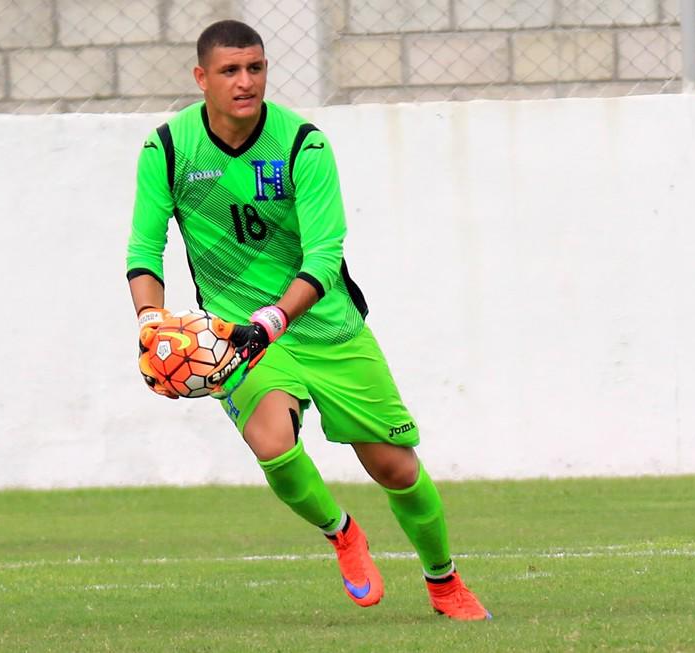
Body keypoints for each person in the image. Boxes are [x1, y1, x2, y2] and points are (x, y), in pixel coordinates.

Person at [125, 19, 490, 621]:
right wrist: (149, 319)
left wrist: (276, 316)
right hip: (238, 334)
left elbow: (325, 254)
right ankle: (342, 533)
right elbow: (144, 249)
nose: (246, 82)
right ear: (201, 78)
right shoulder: (167, 149)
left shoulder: (303, 144)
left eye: (256, 68)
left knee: (396, 468)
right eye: (230, 71)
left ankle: (443, 581)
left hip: (326, 325)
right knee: (272, 440)